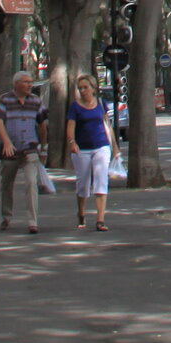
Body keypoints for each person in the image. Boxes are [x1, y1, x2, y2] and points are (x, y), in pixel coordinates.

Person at [0, 71, 48, 234]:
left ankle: (33, 221)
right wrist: (6, 141)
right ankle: (6, 216)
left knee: (31, 183)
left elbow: (42, 124)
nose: (29, 85)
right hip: (10, 150)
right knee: (7, 184)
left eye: (31, 82)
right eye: (26, 82)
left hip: (30, 148)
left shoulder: (36, 101)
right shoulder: (4, 100)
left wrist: (43, 147)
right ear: (16, 83)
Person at [66, 75, 113, 231]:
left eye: (85, 87)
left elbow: (107, 125)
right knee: (83, 184)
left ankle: (100, 220)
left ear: (93, 88)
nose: (82, 90)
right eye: (80, 88)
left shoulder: (101, 104)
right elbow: (70, 126)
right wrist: (72, 142)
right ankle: (81, 213)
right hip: (82, 149)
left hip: (101, 146)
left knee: (101, 180)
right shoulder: (75, 107)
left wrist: (114, 147)